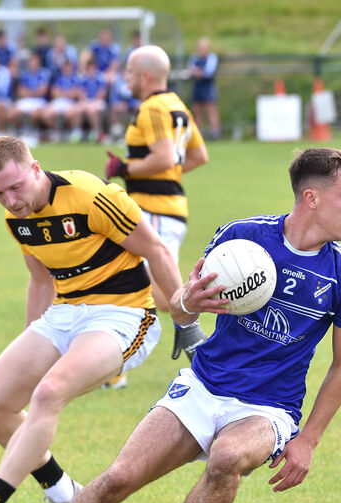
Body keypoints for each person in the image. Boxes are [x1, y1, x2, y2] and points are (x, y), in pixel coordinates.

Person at [51, 146, 341, 503]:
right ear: (312, 197)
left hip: (269, 409)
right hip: (204, 386)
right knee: (117, 480)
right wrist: (187, 300)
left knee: (227, 457)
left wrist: (309, 439)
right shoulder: (242, 238)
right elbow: (183, 309)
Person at [0, 135, 184, 503]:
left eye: (16, 187)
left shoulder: (89, 196)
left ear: (35, 168)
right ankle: (63, 495)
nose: (11, 201)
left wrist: (185, 322)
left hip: (123, 314)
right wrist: (29, 337)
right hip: (65, 311)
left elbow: (156, 249)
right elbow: (40, 281)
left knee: (48, 393)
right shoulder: (15, 217)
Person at [104, 44, 209, 363]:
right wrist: (160, 176)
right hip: (167, 209)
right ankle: (200, 338)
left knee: (131, 282)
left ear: (145, 76)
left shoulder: (152, 108)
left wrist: (125, 169)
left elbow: (163, 157)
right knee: (164, 297)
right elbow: (197, 156)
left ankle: (209, 328)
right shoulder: (177, 104)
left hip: (155, 210)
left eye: (130, 73)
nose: (126, 78)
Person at [8, 52, 51, 140]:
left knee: (35, 114)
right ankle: (23, 130)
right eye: (31, 61)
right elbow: (20, 91)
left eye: (35, 61)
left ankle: (34, 132)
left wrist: (29, 92)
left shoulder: (44, 73)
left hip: (39, 101)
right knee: (11, 114)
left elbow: (42, 91)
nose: (33, 63)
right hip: (27, 100)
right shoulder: (25, 74)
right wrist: (33, 92)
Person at [187, 37, 221, 140]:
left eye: (204, 47)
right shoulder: (194, 58)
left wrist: (197, 72)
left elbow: (208, 73)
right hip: (197, 87)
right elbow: (190, 71)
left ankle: (215, 133)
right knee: (197, 110)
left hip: (207, 88)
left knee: (211, 110)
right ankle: (198, 133)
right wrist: (198, 72)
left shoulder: (212, 57)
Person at [70, 57, 107, 143]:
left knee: (92, 110)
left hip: (98, 101)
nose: (91, 70)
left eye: (93, 67)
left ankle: (97, 132)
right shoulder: (83, 78)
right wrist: (85, 100)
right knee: (77, 109)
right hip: (86, 101)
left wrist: (92, 102)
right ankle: (76, 132)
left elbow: (102, 93)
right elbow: (79, 91)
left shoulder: (100, 78)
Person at [41, 59, 78, 142]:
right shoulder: (58, 78)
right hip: (58, 101)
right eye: (65, 67)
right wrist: (67, 93)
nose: (67, 69)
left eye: (69, 67)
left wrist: (62, 92)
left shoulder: (75, 78)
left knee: (72, 114)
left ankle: (69, 133)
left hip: (70, 102)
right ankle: (57, 131)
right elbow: (54, 93)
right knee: (46, 114)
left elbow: (75, 94)